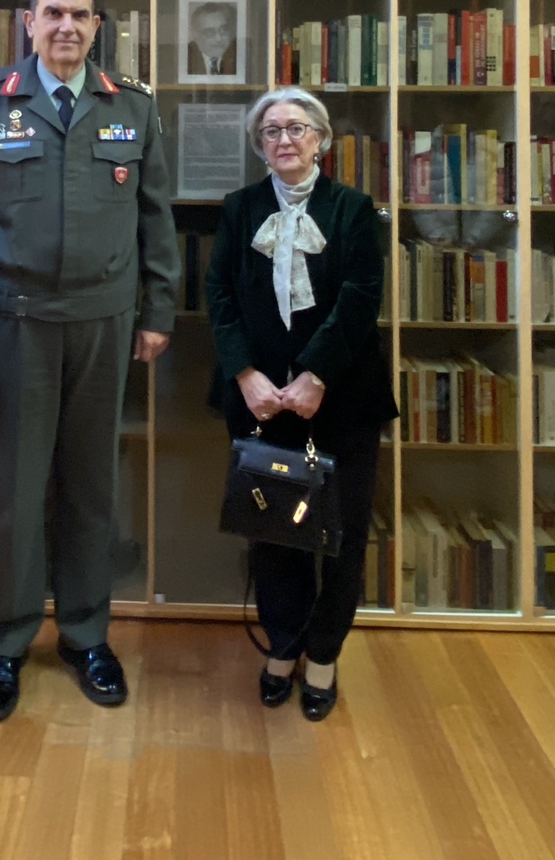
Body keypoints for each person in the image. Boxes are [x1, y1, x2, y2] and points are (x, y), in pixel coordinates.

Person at [0, 0, 180, 722]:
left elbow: (157, 218)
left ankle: (85, 635)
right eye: (53, 13)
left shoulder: (132, 104)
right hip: (16, 324)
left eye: (80, 15)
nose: (66, 27)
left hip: (105, 320)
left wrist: (158, 312)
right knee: (17, 492)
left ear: (97, 26)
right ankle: (6, 645)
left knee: (91, 487)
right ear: (29, 22)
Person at [204, 87, 394, 721]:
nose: (283, 139)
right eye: (271, 131)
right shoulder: (240, 209)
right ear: (259, 146)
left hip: (341, 398)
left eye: (296, 128)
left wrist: (316, 375)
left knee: (341, 534)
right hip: (259, 400)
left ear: (321, 139)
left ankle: (324, 655)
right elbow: (220, 296)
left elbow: (362, 298)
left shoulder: (353, 209)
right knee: (272, 531)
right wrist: (246, 375)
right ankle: (282, 647)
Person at [185, 1, 239, 77]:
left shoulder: (239, 55)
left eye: (223, 30)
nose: (218, 38)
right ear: (195, 34)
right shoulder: (185, 58)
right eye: (210, 32)